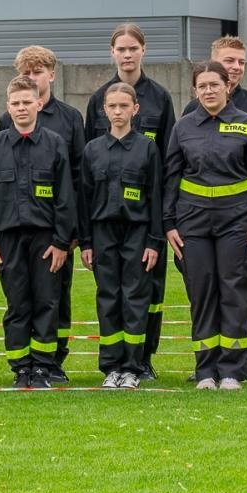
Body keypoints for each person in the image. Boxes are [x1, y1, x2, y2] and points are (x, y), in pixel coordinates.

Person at [164, 60, 247, 390]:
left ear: (228, 86)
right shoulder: (183, 128)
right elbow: (170, 178)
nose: (208, 90)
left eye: (215, 84)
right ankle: (205, 370)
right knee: (202, 291)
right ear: (194, 90)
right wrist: (169, 223)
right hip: (192, 223)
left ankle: (232, 370)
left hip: (237, 222)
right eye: (202, 86)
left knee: (234, 290)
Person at [83, 24, 175, 378]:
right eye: (120, 48)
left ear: (143, 50)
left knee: (146, 294)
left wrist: (159, 228)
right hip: (106, 218)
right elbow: (90, 168)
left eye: (132, 48)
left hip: (143, 219)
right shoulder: (97, 100)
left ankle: (141, 360)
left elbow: (168, 163)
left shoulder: (160, 98)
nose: (126, 54)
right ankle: (115, 364)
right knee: (110, 296)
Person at [0, 46, 86, 382]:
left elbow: (75, 178)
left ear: (51, 75)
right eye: (26, 73)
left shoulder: (70, 118)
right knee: (20, 300)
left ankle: (52, 361)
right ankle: (24, 366)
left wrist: (70, 233)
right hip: (14, 229)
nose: (31, 78)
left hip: (55, 229)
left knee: (55, 297)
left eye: (37, 72)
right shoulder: (6, 126)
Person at [0, 77, 75, 389]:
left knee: (47, 302)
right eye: (15, 103)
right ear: (8, 107)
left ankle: (44, 368)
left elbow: (65, 197)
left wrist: (62, 242)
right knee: (18, 305)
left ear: (39, 104)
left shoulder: (54, 143)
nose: (21, 108)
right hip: (8, 240)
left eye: (26, 102)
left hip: (46, 240)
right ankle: (21, 368)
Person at [80, 83, 162, 389]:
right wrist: (86, 242)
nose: (118, 112)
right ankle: (111, 367)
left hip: (137, 233)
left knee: (135, 298)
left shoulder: (147, 148)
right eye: (112, 106)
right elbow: (84, 201)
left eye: (123, 106)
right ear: (104, 110)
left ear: (135, 109)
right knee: (108, 298)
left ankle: (132, 366)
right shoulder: (92, 150)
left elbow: (155, 196)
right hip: (103, 233)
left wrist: (155, 241)